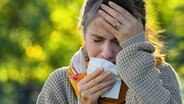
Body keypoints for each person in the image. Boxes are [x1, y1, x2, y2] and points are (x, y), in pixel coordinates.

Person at [37, 0, 182, 104]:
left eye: (118, 41)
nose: (107, 53)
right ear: (84, 35)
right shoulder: (60, 84)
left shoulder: (163, 75)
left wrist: (136, 61)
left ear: (140, 37)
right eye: (97, 40)